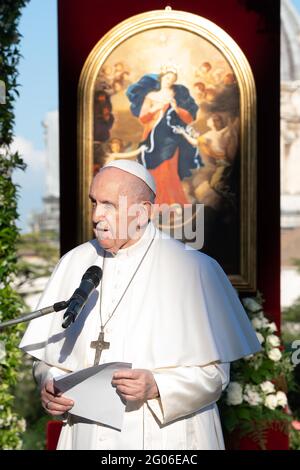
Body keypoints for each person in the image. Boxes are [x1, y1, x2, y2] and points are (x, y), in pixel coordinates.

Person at [20, 159, 260, 450]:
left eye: (109, 205)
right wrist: (49, 384)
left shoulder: (194, 269)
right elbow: (47, 359)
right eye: (94, 202)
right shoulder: (73, 263)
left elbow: (216, 375)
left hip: (167, 437)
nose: (96, 215)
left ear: (143, 212)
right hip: (87, 435)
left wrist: (158, 386)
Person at [126, 67, 201, 206]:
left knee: (168, 169)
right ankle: (152, 203)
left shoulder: (177, 95)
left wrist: (176, 108)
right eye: (167, 78)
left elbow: (188, 118)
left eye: (172, 80)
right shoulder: (151, 96)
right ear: (161, 78)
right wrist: (155, 108)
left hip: (171, 137)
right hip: (152, 136)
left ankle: (170, 202)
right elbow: (143, 118)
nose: (169, 81)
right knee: (152, 168)